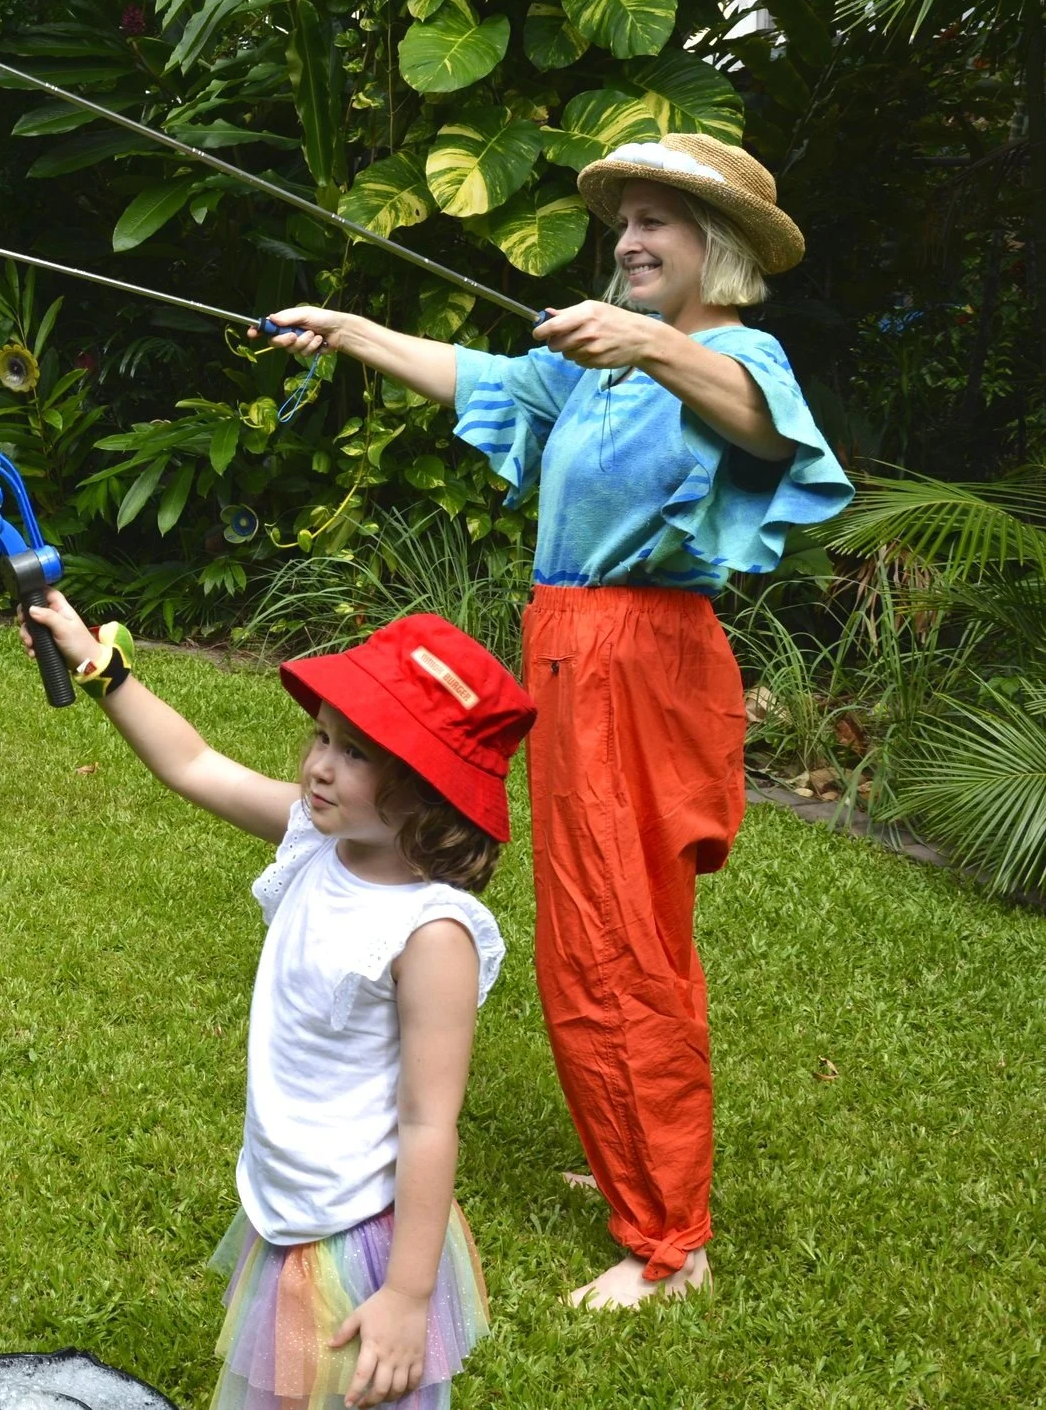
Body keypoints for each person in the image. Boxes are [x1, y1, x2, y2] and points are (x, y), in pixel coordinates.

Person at [261, 133, 854, 1308]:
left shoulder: (733, 353)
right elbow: (476, 377)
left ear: (714, 247)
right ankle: (635, 1156)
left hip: (641, 654)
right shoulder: (598, 372)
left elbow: (765, 423)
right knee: (586, 926)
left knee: (618, 938)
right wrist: (347, 328)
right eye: (623, 223)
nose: (628, 242)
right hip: (575, 645)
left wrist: (643, 338)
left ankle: (670, 1243)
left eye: (656, 224)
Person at [21, 597, 533, 1410]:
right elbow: (194, 765)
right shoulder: (317, 840)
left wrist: (405, 1295)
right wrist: (102, 665)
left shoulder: (431, 933)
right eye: (323, 736)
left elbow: (430, 1120)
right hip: (289, 1203)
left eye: (357, 752)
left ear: (431, 787)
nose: (321, 764)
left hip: (360, 1233)